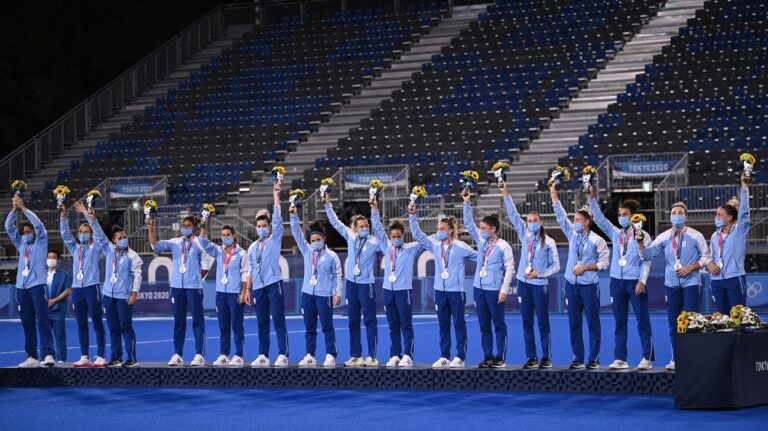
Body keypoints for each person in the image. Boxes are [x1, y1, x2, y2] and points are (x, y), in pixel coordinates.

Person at [639, 201, 710, 370]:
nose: (677, 214)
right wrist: (640, 243)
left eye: (680, 212)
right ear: (670, 217)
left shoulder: (696, 235)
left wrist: (691, 267)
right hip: (671, 285)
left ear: (685, 216)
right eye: (673, 212)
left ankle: (693, 359)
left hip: (692, 283)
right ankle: (676, 358)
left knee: (692, 321)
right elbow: (647, 255)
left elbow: (706, 257)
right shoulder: (664, 237)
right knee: (674, 323)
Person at [587, 188, 654, 370]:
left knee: (642, 320)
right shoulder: (616, 234)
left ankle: (647, 358)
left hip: (635, 281)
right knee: (619, 321)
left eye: (625, 214)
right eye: (619, 214)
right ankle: (620, 358)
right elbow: (600, 219)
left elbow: (647, 261)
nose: (621, 217)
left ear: (633, 217)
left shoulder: (644, 236)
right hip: (616, 281)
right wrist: (592, 198)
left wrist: (642, 281)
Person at [409, 200, 477, 368]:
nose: (439, 232)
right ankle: (444, 355)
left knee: (459, 324)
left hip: (456, 291)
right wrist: (412, 215)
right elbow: (418, 235)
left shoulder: (461, 246)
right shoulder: (434, 245)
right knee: (443, 325)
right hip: (440, 291)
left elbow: (481, 258)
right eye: (438, 229)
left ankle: (460, 356)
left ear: (451, 230)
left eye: (442, 229)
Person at [500, 181, 560, 369]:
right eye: (529, 220)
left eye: (535, 220)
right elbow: (513, 214)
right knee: (526, 323)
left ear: (540, 222)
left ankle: (546, 357)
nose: (532, 223)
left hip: (539, 285)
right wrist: (505, 193)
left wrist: (540, 274)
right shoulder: (524, 235)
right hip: (523, 285)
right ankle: (532, 357)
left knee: (542, 322)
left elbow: (557, 266)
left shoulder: (549, 242)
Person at [550, 183, 609, 369]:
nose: (573, 222)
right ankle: (577, 357)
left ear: (586, 221)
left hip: (589, 286)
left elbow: (604, 263)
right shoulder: (572, 234)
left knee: (593, 323)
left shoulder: (597, 240)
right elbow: (559, 214)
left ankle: (594, 358)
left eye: (577, 219)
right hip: (571, 286)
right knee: (574, 324)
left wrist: (586, 267)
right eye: (573, 219)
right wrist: (553, 191)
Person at [80, 203, 142, 367]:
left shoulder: (132, 256)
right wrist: (90, 216)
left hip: (123, 297)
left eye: (124, 237)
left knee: (126, 327)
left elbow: (137, 275)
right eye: (119, 238)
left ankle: (131, 358)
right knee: (113, 328)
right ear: (114, 240)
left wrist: (134, 292)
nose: (123, 239)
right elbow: (99, 235)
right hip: (108, 296)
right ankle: (116, 357)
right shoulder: (109, 250)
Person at [324, 194, 380, 367]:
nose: (365, 228)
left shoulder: (374, 241)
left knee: (370, 320)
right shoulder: (350, 236)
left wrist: (374, 209)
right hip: (351, 285)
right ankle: (356, 355)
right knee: (353, 320)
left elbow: (379, 229)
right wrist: (327, 204)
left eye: (366, 226)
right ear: (354, 228)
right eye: (362, 226)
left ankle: (372, 356)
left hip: (366, 286)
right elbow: (335, 222)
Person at [149, 214, 210, 366]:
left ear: (194, 228)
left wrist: (195, 278)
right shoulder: (175, 242)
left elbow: (206, 266)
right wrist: (150, 226)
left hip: (193, 288)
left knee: (198, 321)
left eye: (188, 226)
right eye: (183, 225)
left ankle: (199, 355)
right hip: (176, 288)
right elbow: (155, 245)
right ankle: (178, 354)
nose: (185, 228)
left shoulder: (199, 244)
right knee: (179, 322)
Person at [462, 193, 514, 368]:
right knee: (484, 325)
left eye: (484, 228)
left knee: (498, 324)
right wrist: (467, 202)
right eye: (481, 228)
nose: (481, 230)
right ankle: (488, 356)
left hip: (494, 290)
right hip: (479, 288)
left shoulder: (503, 246)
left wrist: (504, 289)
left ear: (493, 229)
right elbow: (468, 223)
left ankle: (500, 357)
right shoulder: (481, 241)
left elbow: (510, 269)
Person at [5, 195, 55, 367]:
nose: (25, 234)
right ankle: (32, 356)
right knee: (27, 322)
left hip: (38, 285)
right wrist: (13, 210)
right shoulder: (20, 245)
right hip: (22, 287)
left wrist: (23, 208)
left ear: (33, 233)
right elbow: (8, 227)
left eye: (28, 232)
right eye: (23, 233)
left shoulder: (41, 243)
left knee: (42, 320)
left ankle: (48, 354)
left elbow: (40, 226)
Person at [290, 208, 342, 367]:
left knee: (327, 326)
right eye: (312, 240)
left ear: (324, 239)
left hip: (324, 295)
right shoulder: (307, 251)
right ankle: (310, 355)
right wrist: (293, 215)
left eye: (318, 239)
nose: (315, 243)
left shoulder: (332, 256)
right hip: (307, 294)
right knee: (309, 328)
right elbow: (296, 232)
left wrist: (337, 293)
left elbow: (337, 275)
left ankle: (330, 354)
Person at [243, 184, 288, 367]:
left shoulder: (274, 238)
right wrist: (247, 289)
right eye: (259, 226)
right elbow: (251, 269)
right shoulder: (253, 247)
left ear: (269, 227)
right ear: (256, 227)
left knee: (278, 320)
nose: (261, 228)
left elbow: (278, 220)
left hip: (274, 283)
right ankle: (263, 354)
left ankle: (283, 354)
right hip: (258, 288)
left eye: (264, 226)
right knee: (262, 323)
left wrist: (276, 197)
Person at [370, 198, 418, 367]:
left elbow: (424, 237)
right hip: (387, 291)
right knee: (393, 326)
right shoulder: (386, 247)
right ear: (390, 237)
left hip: (403, 291)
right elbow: (376, 227)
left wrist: (413, 215)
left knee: (406, 324)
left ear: (403, 236)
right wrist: (374, 209)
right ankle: (395, 354)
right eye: (393, 237)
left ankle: (407, 355)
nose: (396, 239)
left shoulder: (411, 248)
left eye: (399, 236)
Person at [60, 201, 107, 367]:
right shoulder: (75, 248)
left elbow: (101, 236)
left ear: (91, 235)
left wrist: (87, 214)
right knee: (81, 324)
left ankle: (101, 355)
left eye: (86, 232)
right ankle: (85, 355)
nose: (83, 234)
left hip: (91, 287)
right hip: (77, 289)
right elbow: (65, 235)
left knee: (96, 322)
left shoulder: (96, 248)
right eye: (80, 231)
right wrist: (63, 217)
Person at [198, 224, 250, 367]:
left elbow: (245, 273)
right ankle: (224, 355)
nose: (225, 237)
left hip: (235, 294)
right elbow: (203, 242)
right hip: (221, 294)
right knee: (223, 326)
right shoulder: (218, 251)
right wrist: (204, 224)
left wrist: (244, 291)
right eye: (223, 235)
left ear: (234, 236)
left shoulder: (241, 253)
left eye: (228, 234)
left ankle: (239, 355)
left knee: (237, 325)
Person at [708, 176, 751, 314]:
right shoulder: (715, 236)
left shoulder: (739, 231)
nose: (716, 217)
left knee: (738, 318)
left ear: (729, 217)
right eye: (716, 214)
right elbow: (710, 256)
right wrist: (709, 263)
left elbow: (744, 213)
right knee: (723, 319)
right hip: (717, 281)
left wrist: (744, 186)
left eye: (720, 215)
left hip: (734, 278)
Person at [45, 250, 71, 363]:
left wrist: (53, 301)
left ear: (58, 260)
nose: (51, 259)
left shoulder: (63, 274)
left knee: (60, 336)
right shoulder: (41, 273)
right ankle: (47, 357)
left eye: (54, 257)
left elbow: (68, 291)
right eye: (49, 257)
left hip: (58, 310)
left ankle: (61, 359)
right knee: (45, 336)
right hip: (44, 310)